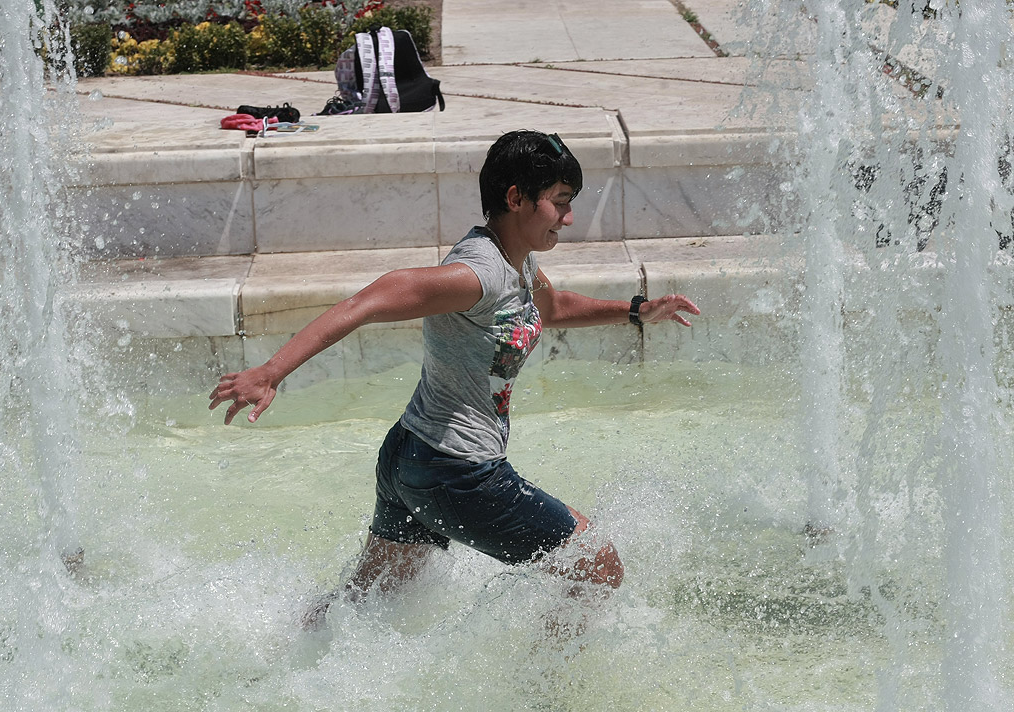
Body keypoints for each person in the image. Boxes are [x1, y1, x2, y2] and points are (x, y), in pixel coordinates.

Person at [209, 130, 700, 626]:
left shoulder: (518, 263)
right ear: (515, 199)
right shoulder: (478, 275)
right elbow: (370, 300)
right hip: (457, 472)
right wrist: (271, 372)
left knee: (364, 607)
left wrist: (638, 310)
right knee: (597, 568)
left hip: (411, 457)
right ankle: (543, 695)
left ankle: (271, 651)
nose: (568, 217)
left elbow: (552, 306)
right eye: (559, 202)